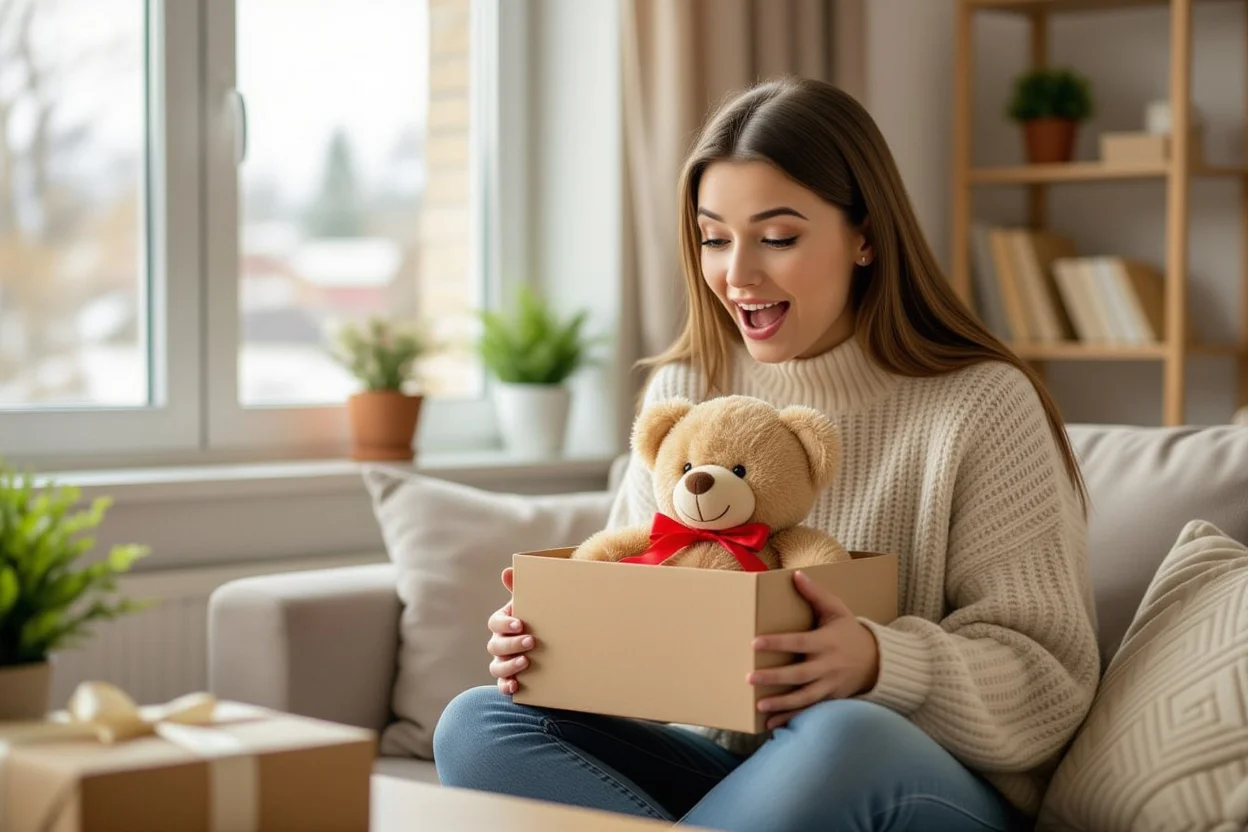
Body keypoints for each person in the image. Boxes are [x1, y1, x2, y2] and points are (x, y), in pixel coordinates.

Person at [433, 76, 1100, 832]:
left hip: (910, 777)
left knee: (843, 730)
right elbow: (643, 605)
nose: (738, 275)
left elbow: (1049, 685)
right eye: (714, 237)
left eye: (777, 238)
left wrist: (880, 664)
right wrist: (558, 647)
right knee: (479, 723)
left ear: (865, 235)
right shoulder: (685, 390)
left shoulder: (982, 403)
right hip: (743, 778)